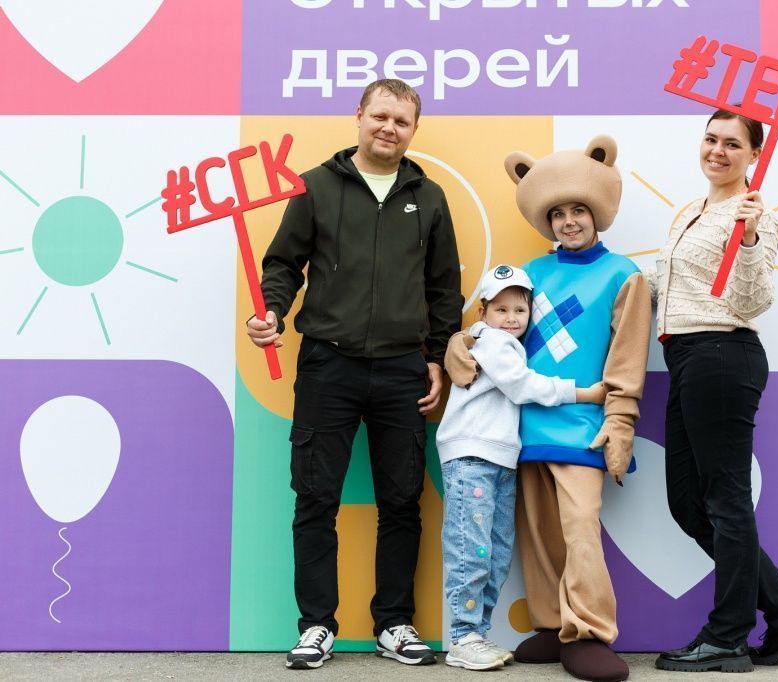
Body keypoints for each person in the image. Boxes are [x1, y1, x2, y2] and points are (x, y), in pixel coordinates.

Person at [246, 79, 462, 670]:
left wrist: (437, 358)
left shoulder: (430, 197)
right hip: (328, 365)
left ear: (413, 130)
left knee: (402, 501)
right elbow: (283, 264)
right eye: (380, 116)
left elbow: (444, 289)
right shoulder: (315, 186)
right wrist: (271, 312)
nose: (389, 128)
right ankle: (316, 625)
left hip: (402, 369)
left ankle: (394, 623)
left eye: (402, 121)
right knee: (315, 499)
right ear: (359, 116)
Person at [447, 136, 651, 682]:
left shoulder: (624, 274)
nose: (568, 221)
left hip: (583, 424)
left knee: (580, 528)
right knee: (537, 532)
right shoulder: (531, 272)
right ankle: (552, 621)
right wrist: (461, 342)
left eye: (578, 209)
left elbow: (628, 355)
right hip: (521, 425)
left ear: (597, 211)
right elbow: (496, 324)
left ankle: (589, 631)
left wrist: (620, 418)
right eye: (557, 213)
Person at [648, 110, 778, 673]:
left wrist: (747, 240)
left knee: (726, 500)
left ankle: (727, 636)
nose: (718, 151)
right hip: (686, 357)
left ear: (755, 155)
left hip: (723, 354)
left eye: (732, 143)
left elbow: (752, 300)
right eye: (711, 139)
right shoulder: (690, 211)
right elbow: (669, 285)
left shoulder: (757, 217)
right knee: (687, 502)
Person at [437, 264, 606, 671]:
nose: (511, 318)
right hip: (473, 457)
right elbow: (523, 385)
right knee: (472, 550)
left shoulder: (501, 341)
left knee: (494, 553)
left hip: (499, 460)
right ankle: (462, 636)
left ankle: (475, 633)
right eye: (501, 309)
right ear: (483, 313)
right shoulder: (494, 342)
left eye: (520, 310)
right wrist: (583, 393)